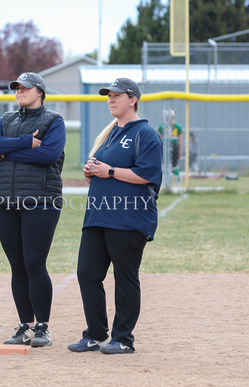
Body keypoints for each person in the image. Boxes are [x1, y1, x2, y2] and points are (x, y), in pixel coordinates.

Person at [67, 78, 162, 354]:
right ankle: (95, 334)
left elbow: (147, 175)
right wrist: (91, 171)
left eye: (116, 95)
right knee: (87, 273)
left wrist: (108, 171)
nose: (110, 99)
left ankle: (123, 339)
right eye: (108, 95)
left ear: (132, 99)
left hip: (129, 218)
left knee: (125, 276)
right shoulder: (109, 133)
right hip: (98, 216)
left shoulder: (145, 134)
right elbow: (105, 171)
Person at [0, 72, 67, 347]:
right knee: (17, 265)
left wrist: (7, 153)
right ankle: (25, 327)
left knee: (33, 262)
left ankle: (42, 327)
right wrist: (23, 143)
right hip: (6, 201)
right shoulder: (6, 119)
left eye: (25, 88)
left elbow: (49, 155)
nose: (19, 91)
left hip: (41, 200)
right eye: (17, 88)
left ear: (40, 92)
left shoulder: (54, 120)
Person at [158, 107, 183, 182]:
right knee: (166, 165)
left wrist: (180, 150)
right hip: (166, 146)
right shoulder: (162, 126)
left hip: (172, 146)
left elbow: (180, 139)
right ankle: (168, 181)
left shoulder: (176, 126)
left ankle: (175, 181)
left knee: (173, 165)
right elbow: (158, 137)